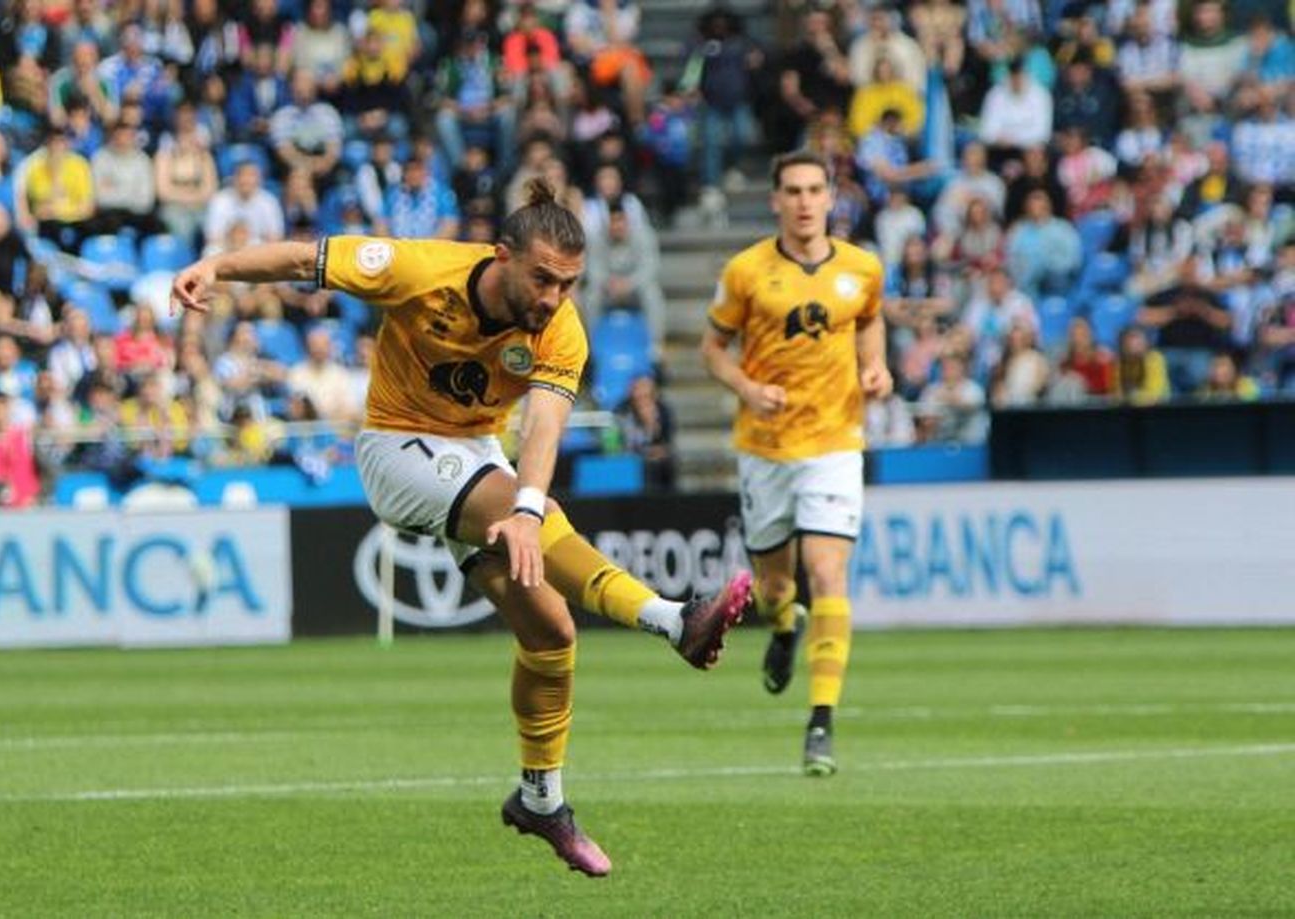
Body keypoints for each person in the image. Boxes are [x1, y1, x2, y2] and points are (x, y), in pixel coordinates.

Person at [172, 180, 751, 877]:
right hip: (394, 445)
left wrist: (529, 508)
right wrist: (217, 268)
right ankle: (672, 619)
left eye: (567, 283)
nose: (552, 297)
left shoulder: (561, 329)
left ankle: (541, 798)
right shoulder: (419, 268)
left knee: (551, 635)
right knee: (519, 510)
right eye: (541, 278)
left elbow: (543, 424)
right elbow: (307, 261)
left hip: (477, 455)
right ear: (500, 255)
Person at [699, 150, 893, 778]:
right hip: (765, 447)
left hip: (836, 441)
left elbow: (869, 320)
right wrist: (746, 389)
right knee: (776, 587)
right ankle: (785, 626)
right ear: (776, 200)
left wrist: (876, 366)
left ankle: (821, 720)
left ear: (831, 197)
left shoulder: (862, 268)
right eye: (793, 190)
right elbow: (712, 348)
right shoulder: (747, 271)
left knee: (827, 570)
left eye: (815, 189)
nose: (806, 201)